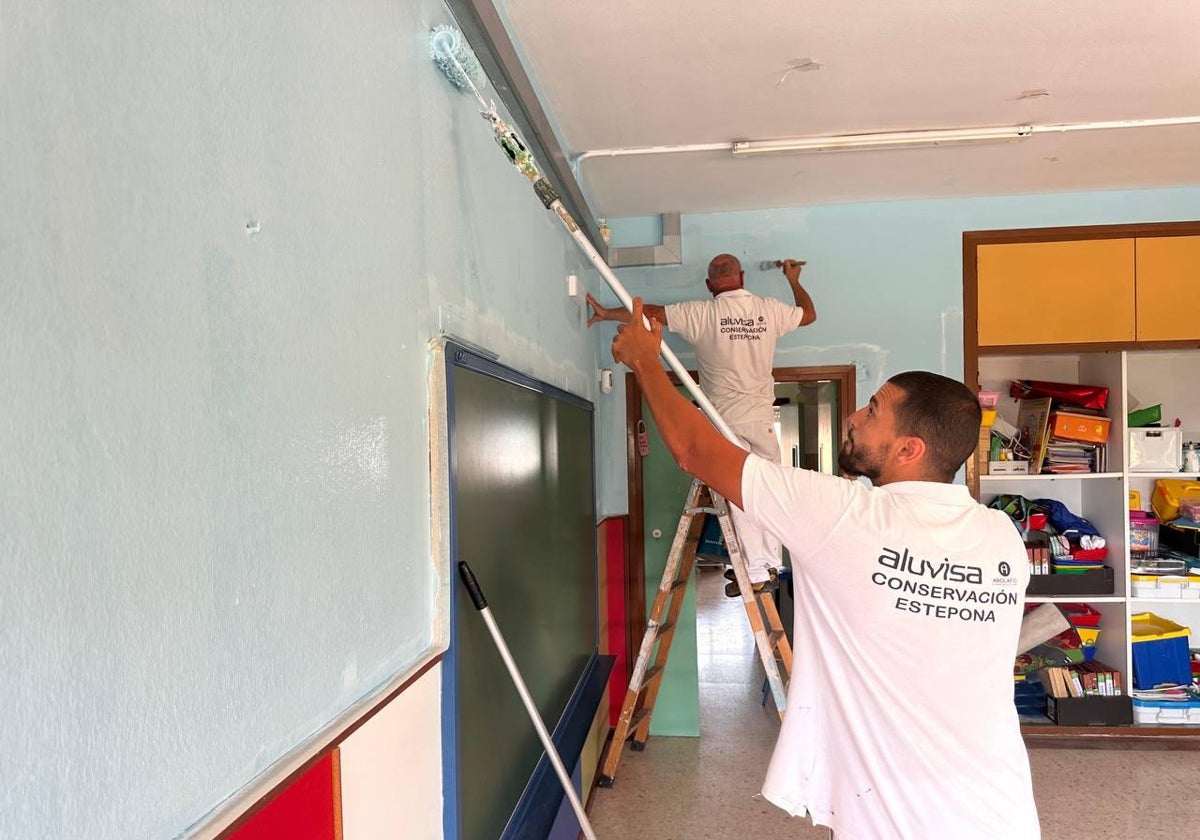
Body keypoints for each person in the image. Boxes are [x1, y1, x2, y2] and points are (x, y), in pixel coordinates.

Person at [609, 299, 1040, 840]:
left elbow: (697, 449)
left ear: (909, 449)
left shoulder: (845, 514)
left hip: (900, 821)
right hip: (1001, 810)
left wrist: (647, 360)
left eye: (873, 412)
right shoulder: (1001, 536)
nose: (855, 416)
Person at [587, 254, 816, 596]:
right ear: (741, 277)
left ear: (710, 286)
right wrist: (793, 279)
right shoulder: (769, 310)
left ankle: (756, 568)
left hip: (725, 421)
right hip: (763, 419)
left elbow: (650, 314)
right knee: (767, 489)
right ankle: (768, 564)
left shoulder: (702, 313)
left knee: (740, 492)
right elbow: (809, 314)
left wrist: (608, 315)